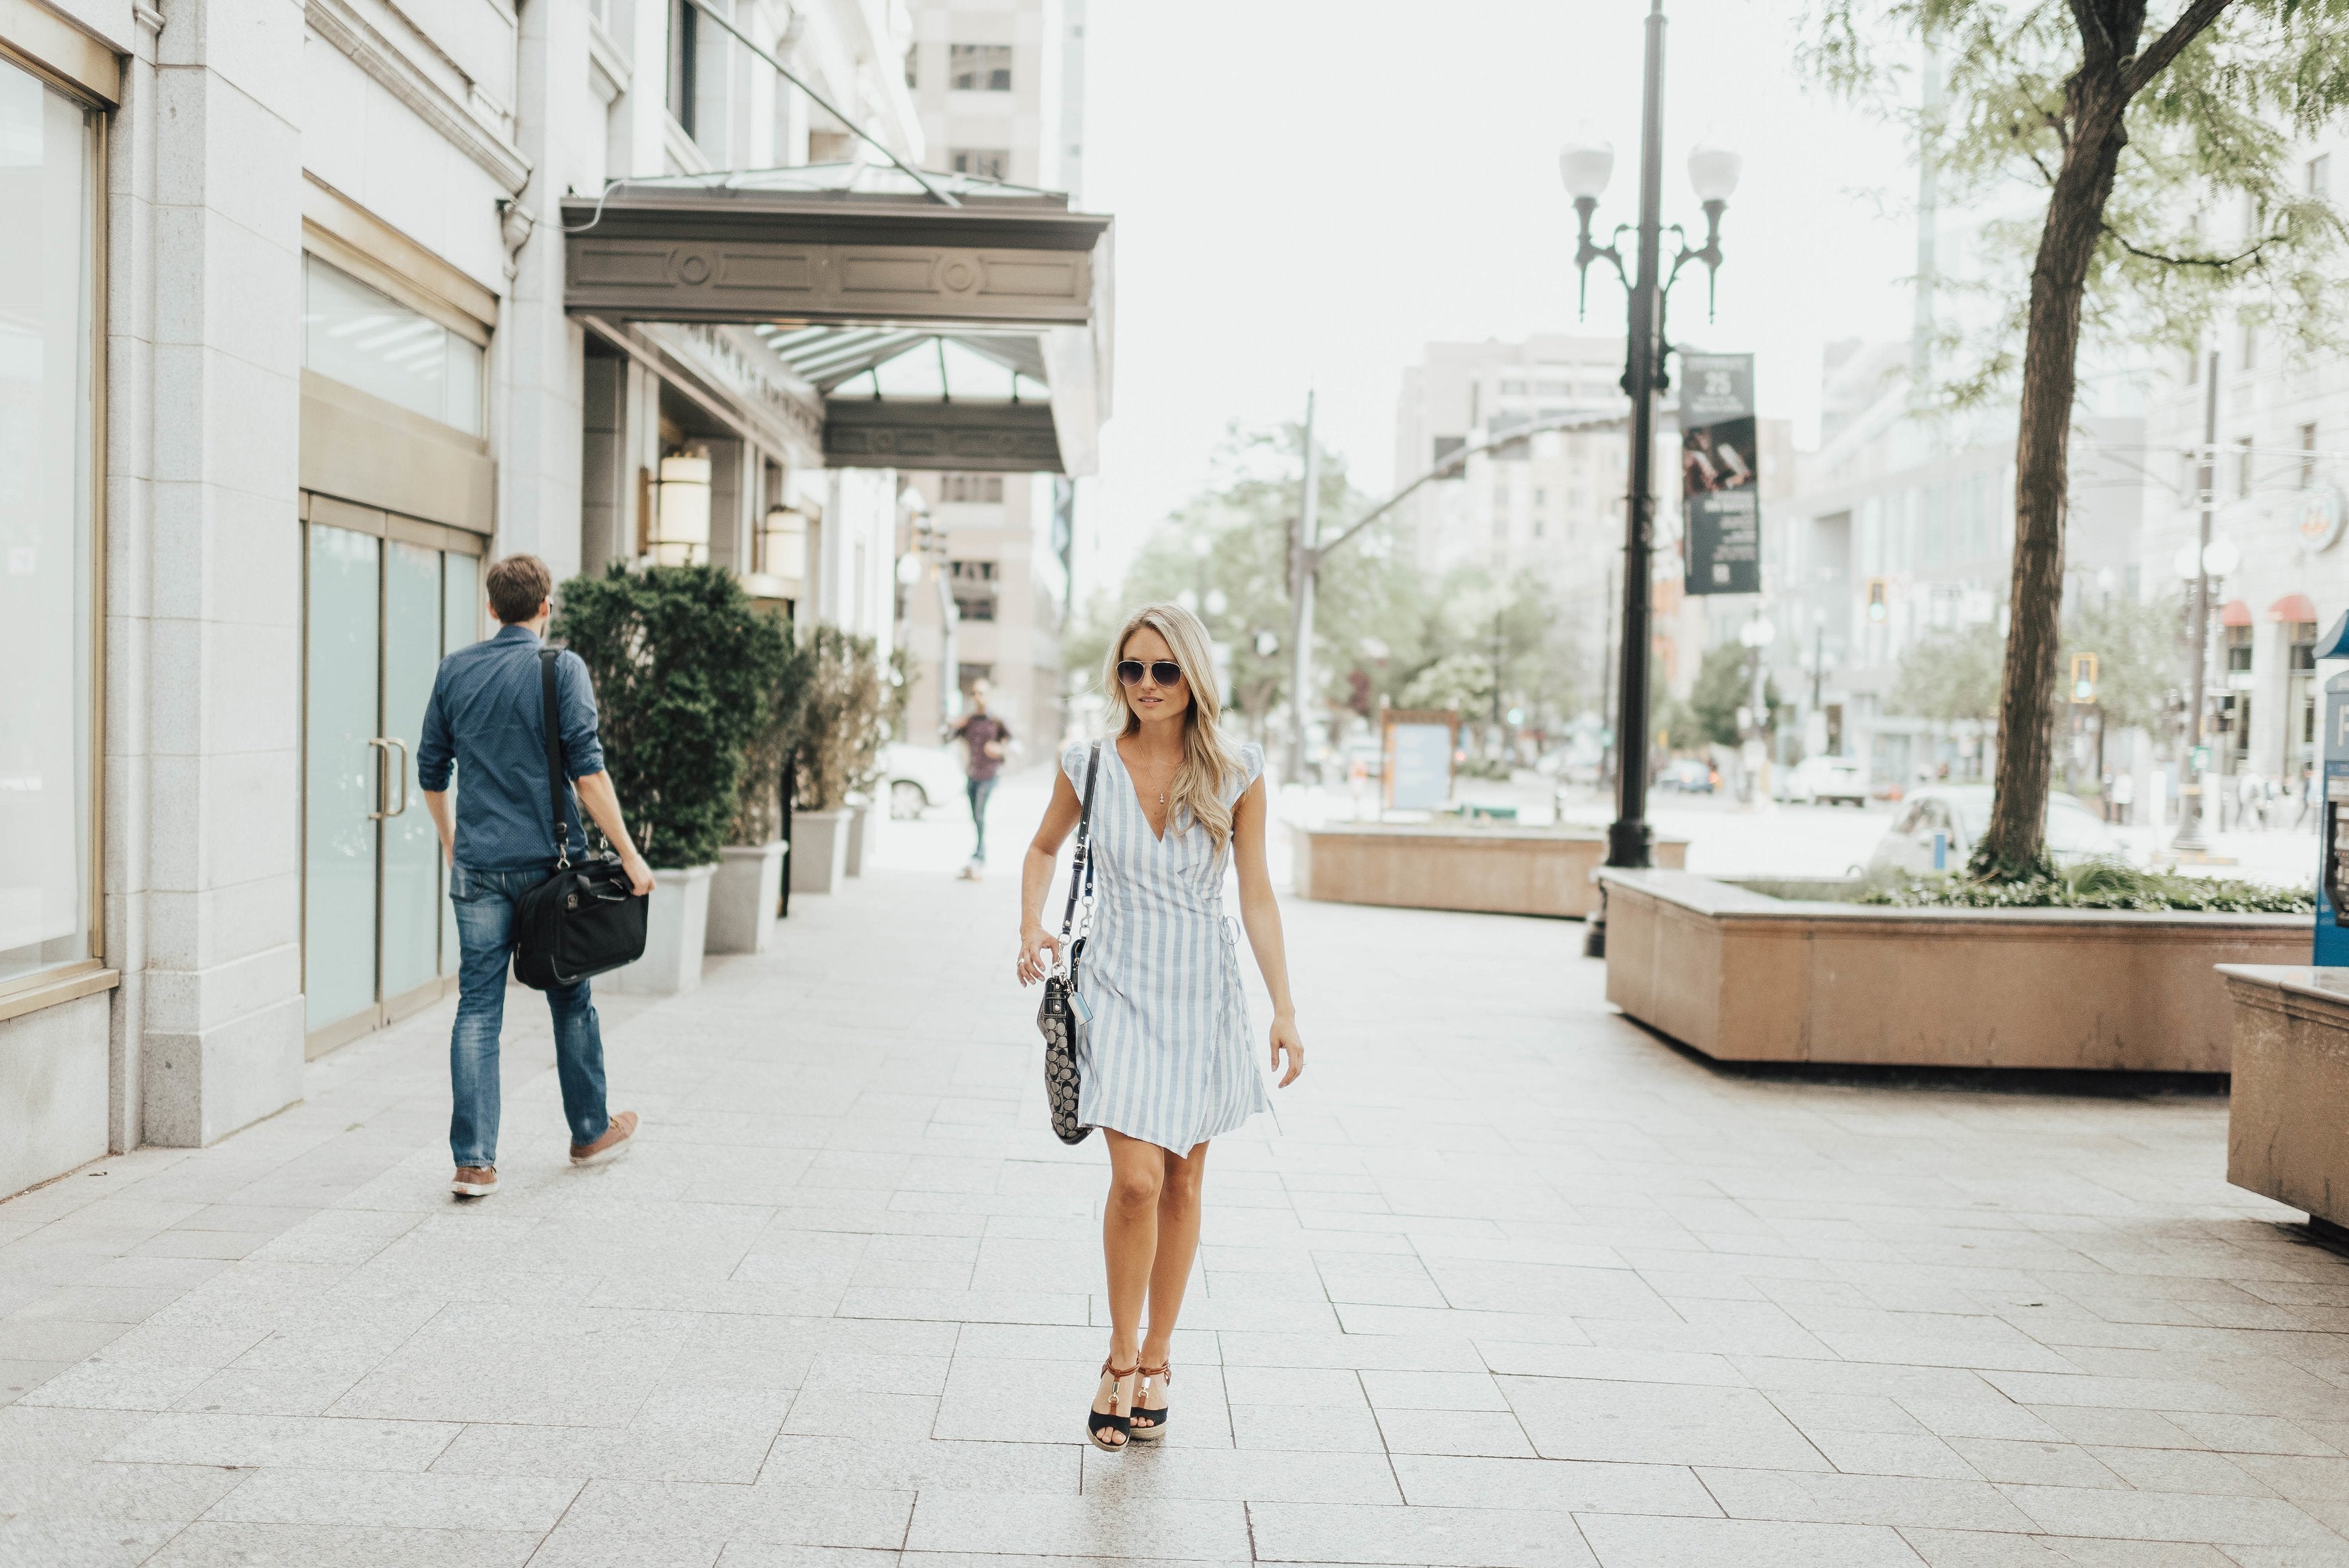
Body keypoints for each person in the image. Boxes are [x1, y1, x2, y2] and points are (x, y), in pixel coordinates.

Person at [1015, 602, 1306, 1452]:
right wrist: (1030, 923)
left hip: (1203, 993)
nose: (1145, 684)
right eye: (1132, 669)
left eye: (1164, 670)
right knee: (1136, 1179)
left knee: (1182, 1182)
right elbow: (1040, 848)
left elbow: (1255, 892)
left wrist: (1283, 1004)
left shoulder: (1237, 770)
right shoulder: (1089, 763)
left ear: (1194, 677)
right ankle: (1116, 1350)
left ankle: (1158, 1353)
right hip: (1115, 986)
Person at [418, 555, 656, 1200]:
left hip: (478, 869)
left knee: (477, 1009)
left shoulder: (455, 668)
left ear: (491, 608)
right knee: (570, 997)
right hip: (553, 871)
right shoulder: (561, 667)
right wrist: (631, 856)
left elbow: (432, 770)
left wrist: (452, 842)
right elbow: (588, 771)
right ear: (545, 606)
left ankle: (474, 1163)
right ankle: (588, 1132)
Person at [948, 680, 1012, 880]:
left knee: (980, 814)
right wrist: (952, 724)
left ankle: (980, 853)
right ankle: (979, 852)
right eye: (975, 693)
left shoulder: (997, 722)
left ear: (989, 695)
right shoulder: (969, 721)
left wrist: (1000, 751)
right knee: (975, 816)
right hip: (972, 774)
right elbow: (947, 737)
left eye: (982, 693)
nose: (978, 697)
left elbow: (1013, 745)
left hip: (989, 775)